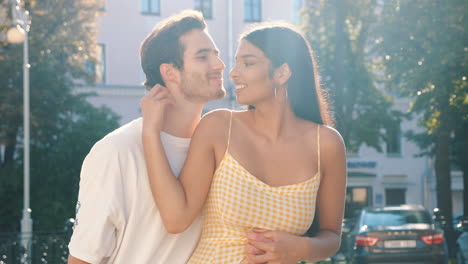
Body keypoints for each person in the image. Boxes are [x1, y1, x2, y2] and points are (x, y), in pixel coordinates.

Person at [140, 21, 347, 263]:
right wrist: (150, 132)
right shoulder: (218, 127)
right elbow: (176, 219)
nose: (233, 72)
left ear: (282, 73)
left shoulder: (327, 145)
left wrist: (302, 248)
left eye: (248, 63)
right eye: (237, 62)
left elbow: (331, 236)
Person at [67, 10, 227, 264]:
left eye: (216, 55)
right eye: (203, 56)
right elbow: (83, 259)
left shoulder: (220, 146)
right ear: (170, 72)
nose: (219, 65)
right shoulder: (116, 151)